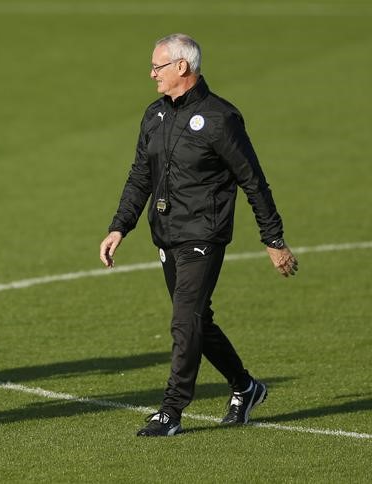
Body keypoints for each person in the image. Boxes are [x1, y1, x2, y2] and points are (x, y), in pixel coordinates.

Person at [99, 33, 298, 437]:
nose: (151, 73)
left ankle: (171, 411)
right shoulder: (154, 115)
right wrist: (120, 226)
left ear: (182, 67)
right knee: (198, 322)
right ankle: (246, 387)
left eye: (158, 66)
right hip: (166, 233)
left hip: (204, 235)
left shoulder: (220, 118)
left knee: (183, 320)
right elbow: (141, 175)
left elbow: (253, 180)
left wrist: (273, 239)